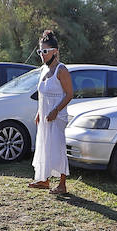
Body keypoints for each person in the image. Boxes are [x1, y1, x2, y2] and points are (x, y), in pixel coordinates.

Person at [27, 30, 73, 196]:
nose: (42, 55)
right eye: (40, 51)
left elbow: (69, 94)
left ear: (55, 52)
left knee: (58, 146)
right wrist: (39, 112)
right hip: (45, 114)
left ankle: (62, 184)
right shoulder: (43, 70)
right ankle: (43, 179)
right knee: (44, 145)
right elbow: (41, 95)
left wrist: (55, 110)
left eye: (45, 51)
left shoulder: (62, 70)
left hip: (57, 116)